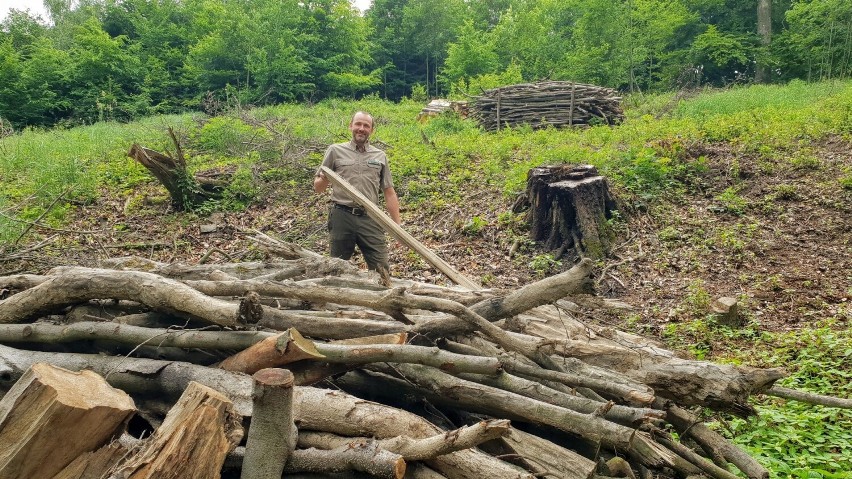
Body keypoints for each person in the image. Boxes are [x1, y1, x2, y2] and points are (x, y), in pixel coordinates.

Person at [313, 111, 401, 273]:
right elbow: (318, 188)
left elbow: (389, 192)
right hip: (341, 215)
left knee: (382, 269)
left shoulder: (379, 156)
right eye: (358, 124)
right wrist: (325, 178)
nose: (361, 128)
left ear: (372, 130)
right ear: (350, 126)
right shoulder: (335, 151)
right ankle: (335, 298)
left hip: (371, 217)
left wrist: (398, 227)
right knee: (336, 268)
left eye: (366, 125)